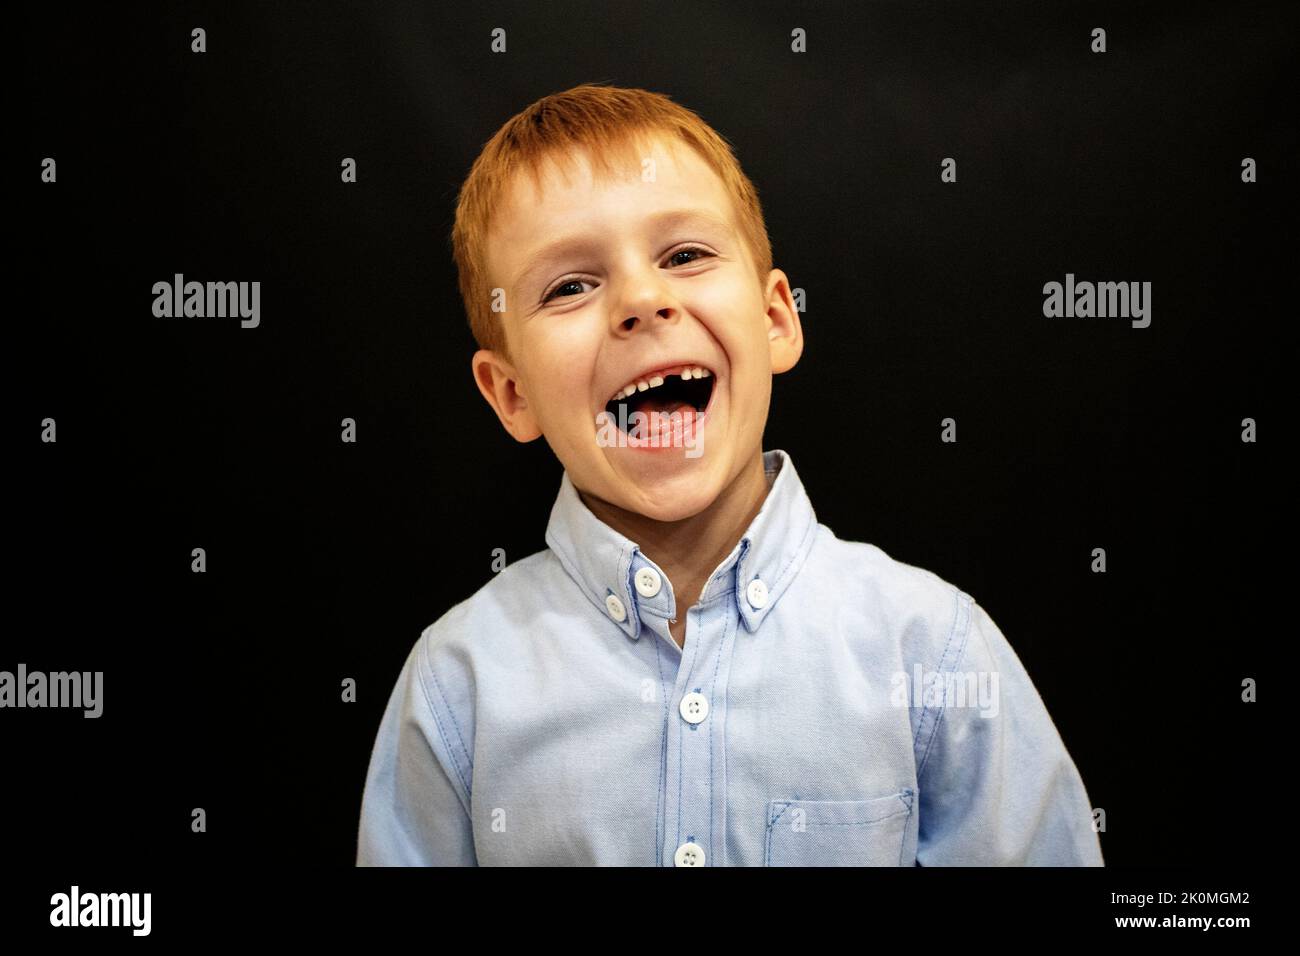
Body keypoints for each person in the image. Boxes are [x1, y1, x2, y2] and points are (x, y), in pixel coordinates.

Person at [356, 83, 1103, 866]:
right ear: (511, 393)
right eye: (570, 286)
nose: (642, 300)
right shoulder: (456, 687)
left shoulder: (934, 651)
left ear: (777, 319)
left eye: (684, 255)